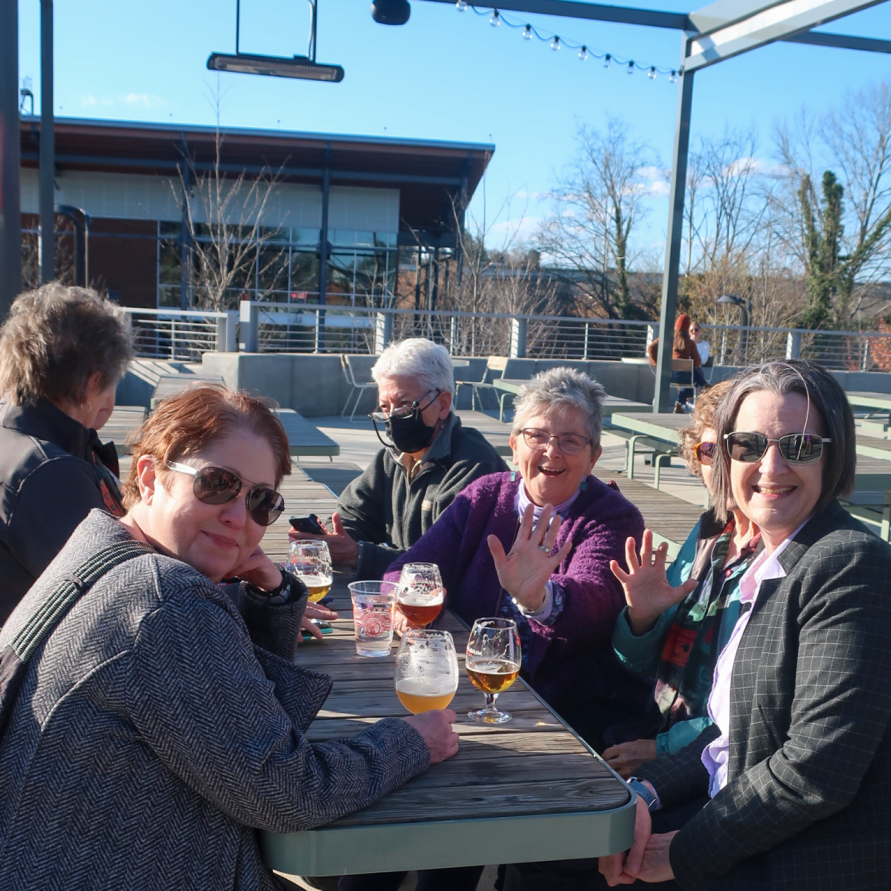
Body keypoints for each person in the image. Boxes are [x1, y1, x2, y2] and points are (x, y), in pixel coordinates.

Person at [0, 385, 458, 891]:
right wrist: (411, 741)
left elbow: (237, 730)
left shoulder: (98, 547)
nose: (238, 517)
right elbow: (288, 791)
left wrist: (271, 597)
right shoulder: (165, 600)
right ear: (150, 478)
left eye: (261, 501)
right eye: (217, 484)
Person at [505, 359, 891, 891]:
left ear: (834, 455)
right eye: (748, 445)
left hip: (794, 854)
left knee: (561, 856)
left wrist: (685, 850)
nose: (771, 466)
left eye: (800, 446)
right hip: (735, 810)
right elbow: (731, 733)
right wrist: (644, 794)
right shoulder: (769, 563)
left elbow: (817, 769)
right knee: (550, 837)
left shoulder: (849, 563)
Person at [386, 367, 648, 734]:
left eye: (570, 441)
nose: (551, 451)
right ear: (513, 445)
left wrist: (540, 598)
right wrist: (408, 606)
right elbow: (409, 568)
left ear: (593, 458)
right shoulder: (485, 495)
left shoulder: (613, 516)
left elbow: (598, 604)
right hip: (465, 686)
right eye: (536, 436)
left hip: (563, 708)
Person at [601, 380, 761, 779]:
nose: (722, 465)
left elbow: (754, 709)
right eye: (709, 451)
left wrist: (661, 749)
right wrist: (641, 620)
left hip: (718, 764)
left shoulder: (779, 557)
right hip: (658, 723)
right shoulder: (710, 530)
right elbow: (639, 661)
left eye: (740, 448)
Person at [290, 338, 507, 579]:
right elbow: (353, 515)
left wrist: (358, 556)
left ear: (443, 404)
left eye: (404, 404)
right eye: (385, 407)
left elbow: (444, 562)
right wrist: (330, 540)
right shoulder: (392, 459)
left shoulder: (474, 465)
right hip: (402, 593)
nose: (393, 417)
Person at [0, 283, 134, 623]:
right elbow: (121, 597)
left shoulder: (17, 441)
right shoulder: (49, 473)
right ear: (91, 384)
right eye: (113, 381)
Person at [647, 314, 708, 413]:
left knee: (693, 374)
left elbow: (650, 348)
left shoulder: (667, 338)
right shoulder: (690, 343)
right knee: (694, 376)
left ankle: (702, 385)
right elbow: (697, 362)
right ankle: (681, 401)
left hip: (668, 375)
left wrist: (657, 363)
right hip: (686, 378)